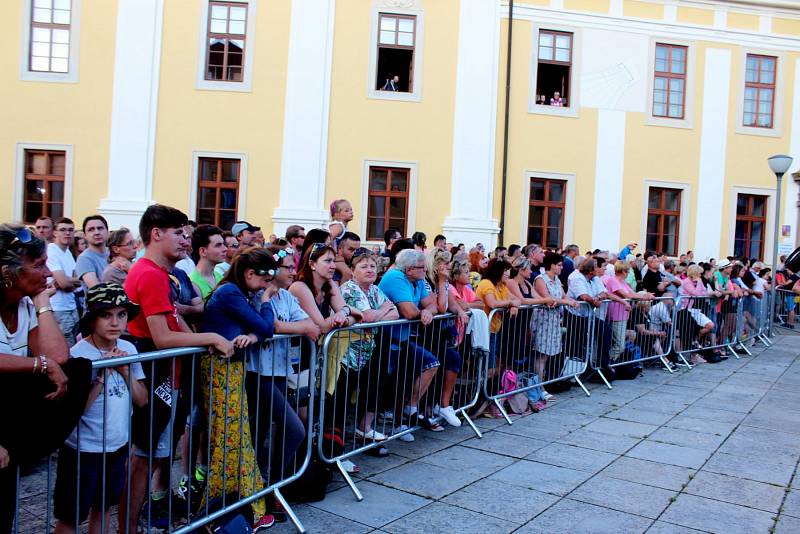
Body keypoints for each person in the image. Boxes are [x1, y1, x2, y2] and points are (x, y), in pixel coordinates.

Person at [120, 205, 234, 534]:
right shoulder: (150, 274)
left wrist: (202, 337)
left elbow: (174, 321)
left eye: (186, 233)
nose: (186, 240)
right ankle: (127, 527)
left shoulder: (162, 274)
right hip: (155, 377)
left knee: (154, 456)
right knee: (143, 458)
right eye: (179, 233)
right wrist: (211, 337)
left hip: (168, 375)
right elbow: (161, 335)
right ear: (156, 234)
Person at [0, 224, 92, 533]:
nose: (49, 273)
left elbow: (59, 356)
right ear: (7, 272)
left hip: (7, 435)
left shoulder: (25, 304)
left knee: (78, 370)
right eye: (39, 265)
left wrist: (42, 302)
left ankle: (24, 450)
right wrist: (38, 365)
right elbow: (46, 362)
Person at [53, 283, 148, 534]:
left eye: (122, 314)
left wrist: (125, 371)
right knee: (71, 517)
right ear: (92, 319)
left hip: (117, 446)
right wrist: (101, 375)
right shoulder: (77, 355)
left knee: (104, 507)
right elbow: (75, 410)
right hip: (83, 450)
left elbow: (142, 399)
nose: (115, 322)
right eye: (106, 314)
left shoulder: (128, 349)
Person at [200, 247, 278, 531]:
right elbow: (267, 327)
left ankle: (238, 502)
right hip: (221, 370)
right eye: (265, 279)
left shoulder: (235, 291)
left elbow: (257, 331)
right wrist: (266, 303)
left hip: (230, 369)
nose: (267, 286)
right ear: (249, 273)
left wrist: (254, 334)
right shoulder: (231, 292)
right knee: (229, 436)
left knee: (235, 434)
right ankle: (223, 505)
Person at [246, 245, 319, 506]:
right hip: (259, 372)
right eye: (288, 266)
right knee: (290, 428)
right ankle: (270, 485)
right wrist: (291, 328)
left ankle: (273, 485)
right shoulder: (257, 296)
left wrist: (291, 328)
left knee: (267, 428)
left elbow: (310, 325)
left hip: (280, 370)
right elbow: (271, 326)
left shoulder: (287, 297)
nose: (292, 270)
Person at [378, 249, 444, 435]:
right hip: (385, 339)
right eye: (421, 268)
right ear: (408, 269)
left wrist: (426, 311)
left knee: (420, 369)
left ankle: (408, 411)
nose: (425, 271)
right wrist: (422, 311)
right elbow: (408, 312)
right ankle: (391, 424)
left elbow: (433, 305)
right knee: (395, 382)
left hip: (403, 338)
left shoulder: (418, 279)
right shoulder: (395, 277)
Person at [336, 249, 399, 442]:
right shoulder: (349, 289)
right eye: (364, 266)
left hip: (367, 350)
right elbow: (366, 317)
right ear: (353, 271)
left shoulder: (374, 289)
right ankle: (334, 443)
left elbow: (395, 313)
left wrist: (376, 313)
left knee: (375, 385)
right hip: (346, 352)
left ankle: (364, 427)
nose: (370, 270)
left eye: (372, 266)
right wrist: (381, 311)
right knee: (342, 398)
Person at [422, 248, 468, 427]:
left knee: (451, 361)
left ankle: (443, 405)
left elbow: (451, 303)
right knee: (432, 368)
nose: (449, 266)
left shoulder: (445, 283)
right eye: (445, 263)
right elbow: (440, 307)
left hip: (441, 333)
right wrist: (441, 282)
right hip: (426, 333)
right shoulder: (425, 282)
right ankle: (424, 412)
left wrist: (460, 311)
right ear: (436, 264)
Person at [531, 253, 578, 399]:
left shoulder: (556, 280)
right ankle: (539, 387)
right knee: (541, 355)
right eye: (559, 265)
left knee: (547, 355)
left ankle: (542, 384)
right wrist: (568, 302)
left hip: (554, 320)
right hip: (543, 320)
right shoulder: (541, 279)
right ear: (551, 265)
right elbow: (549, 299)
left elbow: (563, 296)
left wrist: (572, 301)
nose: (561, 268)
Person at [475, 259, 521, 380]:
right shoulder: (486, 283)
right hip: (483, 331)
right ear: (497, 271)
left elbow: (518, 299)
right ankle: (478, 394)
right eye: (505, 270)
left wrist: (514, 305)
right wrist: (510, 303)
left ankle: (484, 393)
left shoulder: (501, 286)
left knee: (491, 366)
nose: (507, 274)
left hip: (493, 330)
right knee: (486, 367)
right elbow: (492, 303)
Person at [603, 260, 654, 364]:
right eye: (628, 271)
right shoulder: (613, 281)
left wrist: (645, 295)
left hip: (623, 315)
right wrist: (645, 296)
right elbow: (627, 295)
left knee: (618, 344)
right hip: (615, 316)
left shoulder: (622, 282)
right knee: (619, 345)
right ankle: (607, 364)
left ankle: (610, 364)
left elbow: (632, 293)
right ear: (624, 271)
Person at [47, 217, 80, 345]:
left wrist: (68, 281)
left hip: (71, 306)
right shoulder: (52, 251)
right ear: (55, 233)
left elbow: (77, 283)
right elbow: (64, 283)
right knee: (65, 348)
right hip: (58, 308)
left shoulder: (68, 253)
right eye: (63, 230)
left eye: (71, 230)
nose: (67, 233)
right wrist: (69, 282)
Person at [188, 225, 227, 301]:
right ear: (203, 251)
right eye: (218, 245)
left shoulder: (220, 277)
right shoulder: (192, 283)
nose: (225, 249)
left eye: (224, 244)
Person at [76, 215, 110, 291]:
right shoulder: (84, 259)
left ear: (107, 232)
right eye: (91, 229)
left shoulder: (114, 253)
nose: (97, 232)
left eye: (100, 228)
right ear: (85, 235)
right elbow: (96, 289)